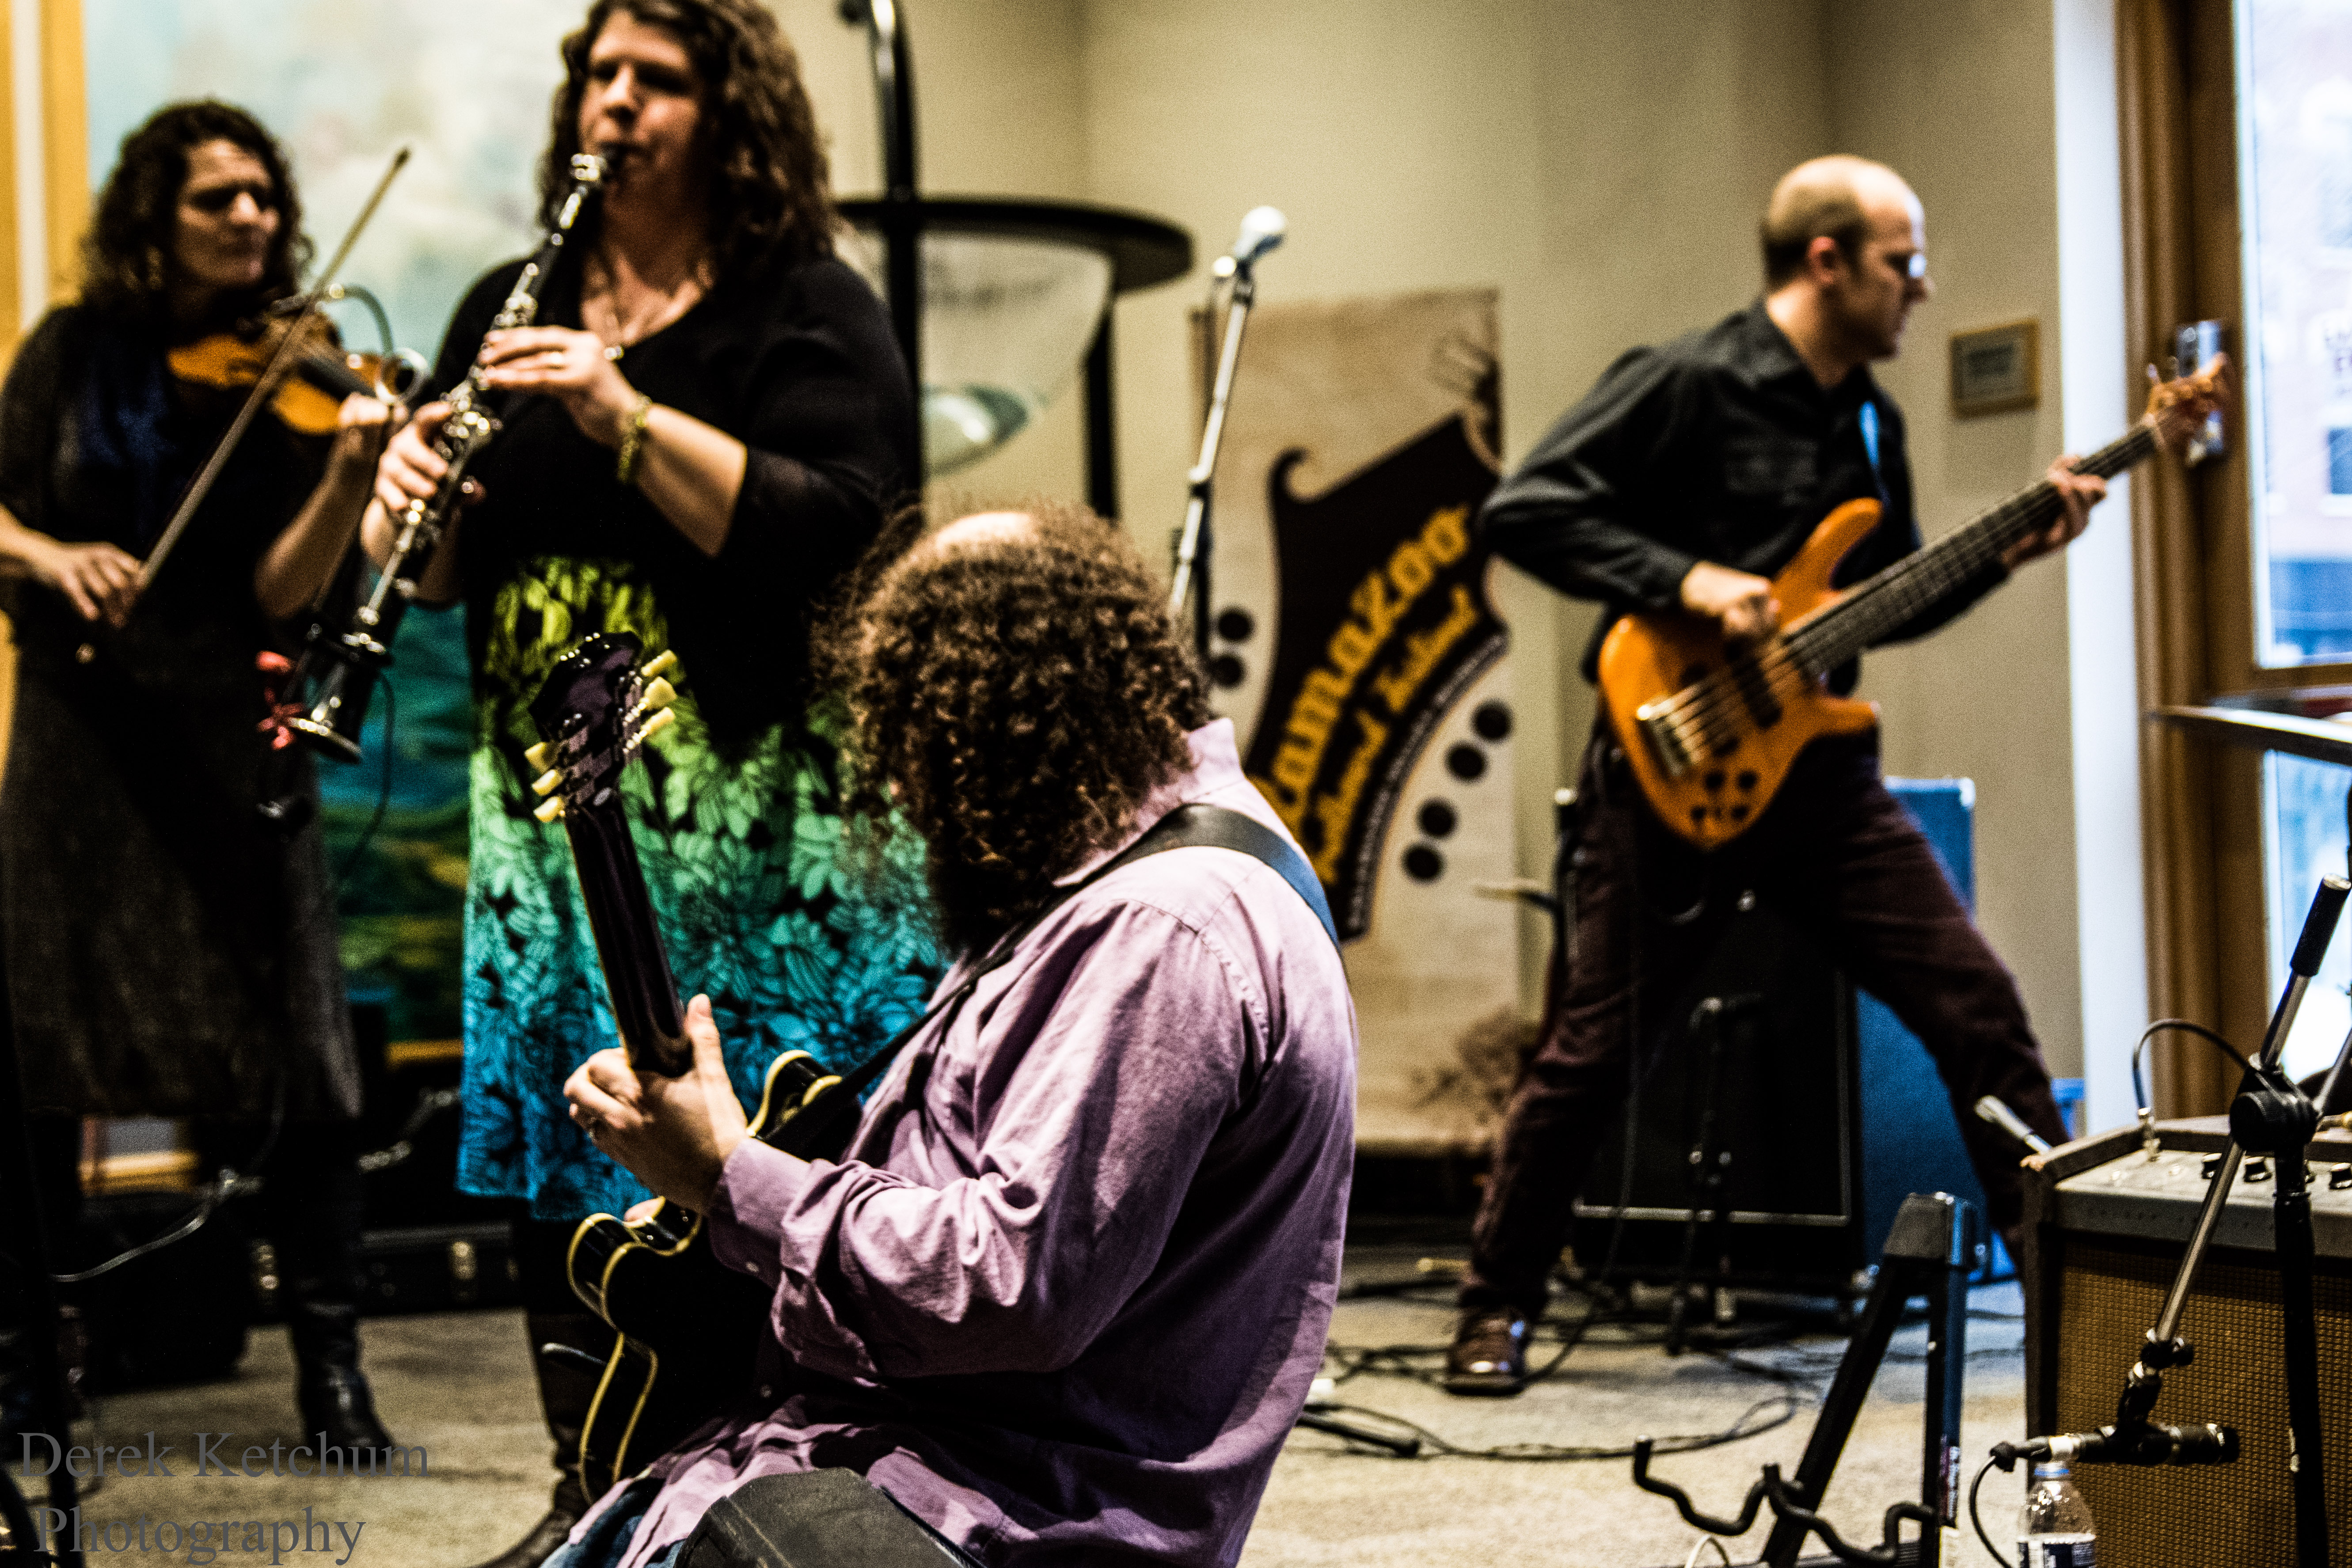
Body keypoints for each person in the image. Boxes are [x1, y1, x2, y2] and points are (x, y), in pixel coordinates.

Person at [362, 3, 940, 1560]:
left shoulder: (803, 300)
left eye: (655, 80)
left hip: (743, 810)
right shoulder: (509, 298)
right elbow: (435, 578)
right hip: (552, 811)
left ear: (728, 109)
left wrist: (619, 414)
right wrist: (399, 497)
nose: (613, 102)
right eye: (598, 75)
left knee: (758, 1122)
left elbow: (845, 526)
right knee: (569, 1127)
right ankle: (597, 1488)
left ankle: (782, 1475)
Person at [554, 506, 1357, 1568]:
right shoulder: (1116, 875)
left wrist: (729, 1176)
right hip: (887, 1466)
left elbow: (1008, 1291)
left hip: (971, 1509)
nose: (902, 793)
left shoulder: (1154, 929)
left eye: (917, 750)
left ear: (1001, 731)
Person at [1445, 156, 2103, 1393]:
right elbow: (1522, 509)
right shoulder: (1688, 380)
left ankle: (2078, 1301)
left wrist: (2009, 551)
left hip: (1819, 779)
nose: (1921, 287)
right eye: (1903, 262)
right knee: (1594, 1050)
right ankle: (1493, 1304)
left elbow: (1888, 600)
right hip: (1668, 765)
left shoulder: (1872, 420)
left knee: (1976, 1008)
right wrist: (1685, 579)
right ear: (1826, 261)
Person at [0, 101, 394, 1445]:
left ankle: (332, 1366)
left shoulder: (300, 374)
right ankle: (30, 1359)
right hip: (82, 739)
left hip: (235, 733)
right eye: (215, 198)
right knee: (41, 1046)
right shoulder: (71, 351)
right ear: (153, 220)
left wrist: (348, 474)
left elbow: (284, 591)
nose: (249, 218)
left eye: (263, 197)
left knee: (301, 1049)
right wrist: (54, 557)